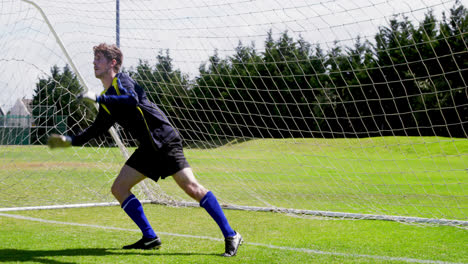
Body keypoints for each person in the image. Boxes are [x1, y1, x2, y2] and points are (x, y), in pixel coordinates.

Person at [48, 43, 243, 257]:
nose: (94, 63)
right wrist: (69, 140)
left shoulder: (122, 81)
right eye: (94, 58)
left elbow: (132, 100)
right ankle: (150, 237)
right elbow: (96, 129)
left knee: (192, 188)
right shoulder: (107, 97)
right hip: (148, 148)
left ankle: (231, 235)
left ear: (113, 63)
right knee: (119, 188)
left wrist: (98, 98)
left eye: (99, 59)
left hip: (164, 139)